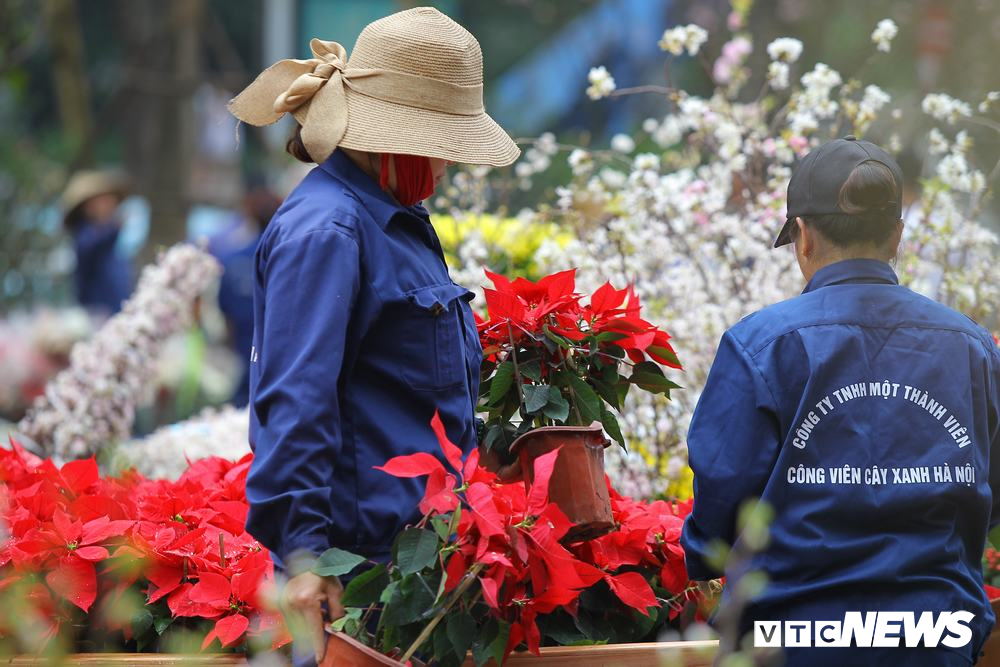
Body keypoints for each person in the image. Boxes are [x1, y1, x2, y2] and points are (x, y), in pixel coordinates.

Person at [227, 7, 519, 664]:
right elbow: (295, 404)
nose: (449, 165)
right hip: (347, 589)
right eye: (444, 143)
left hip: (410, 577)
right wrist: (304, 557)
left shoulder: (396, 220)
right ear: (399, 135)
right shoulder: (328, 233)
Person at [681, 136, 1000, 666]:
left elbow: (719, 515)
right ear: (897, 236)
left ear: (802, 237)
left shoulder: (761, 344)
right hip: (934, 640)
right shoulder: (969, 346)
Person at [210, 185, 283, 407]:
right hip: (279, 355)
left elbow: (224, 310)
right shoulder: (286, 259)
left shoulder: (233, 260)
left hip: (244, 352)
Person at [61, 170, 133, 316]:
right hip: (96, 316)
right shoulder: (85, 236)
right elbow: (91, 246)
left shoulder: (112, 241)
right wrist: (113, 228)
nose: (111, 204)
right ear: (88, 207)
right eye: (103, 200)